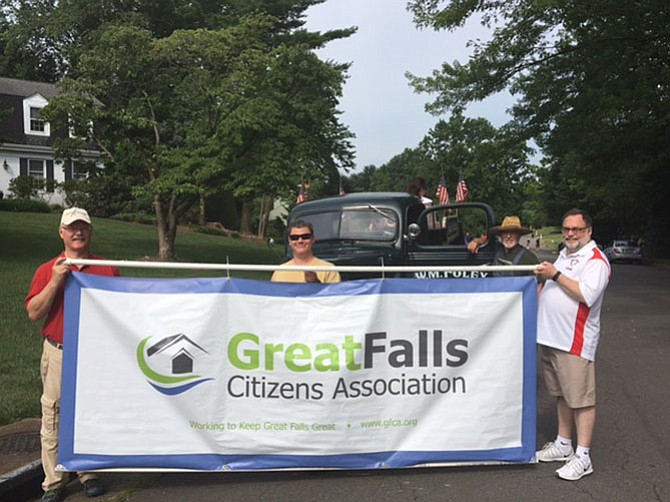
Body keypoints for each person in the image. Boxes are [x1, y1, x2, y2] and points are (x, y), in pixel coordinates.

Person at [25, 207, 120, 502]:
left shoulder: (108, 267)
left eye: (83, 227)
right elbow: (33, 313)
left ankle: (88, 472)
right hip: (59, 351)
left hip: (94, 353)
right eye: (72, 228)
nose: (78, 232)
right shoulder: (47, 269)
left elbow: (120, 310)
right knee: (54, 414)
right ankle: (54, 482)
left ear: (90, 232)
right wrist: (56, 280)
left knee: (90, 413)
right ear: (62, 233)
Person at [533, 208, 610, 481]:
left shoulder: (596, 260)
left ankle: (583, 456)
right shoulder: (565, 255)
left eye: (576, 229)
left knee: (581, 399)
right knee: (562, 395)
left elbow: (585, 294)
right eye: (566, 229)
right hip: (551, 338)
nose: (569, 234)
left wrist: (554, 275)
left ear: (588, 231)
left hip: (574, 341)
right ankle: (563, 444)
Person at [467, 216, 541, 278]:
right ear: (501, 235)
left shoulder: (529, 257)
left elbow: (538, 285)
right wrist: (476, 242)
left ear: (519, 235)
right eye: (505, 232)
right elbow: (485, 240)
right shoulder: (497, 248)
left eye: (513, 232)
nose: (508, 236)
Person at [271, 219, 340, 283]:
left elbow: (334, 295)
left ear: (313, 239)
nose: (300, 241)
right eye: (294, 237)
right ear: (289, 241)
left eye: (305, 237)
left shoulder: (329, 270)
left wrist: (316, 283)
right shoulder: (279, 272)